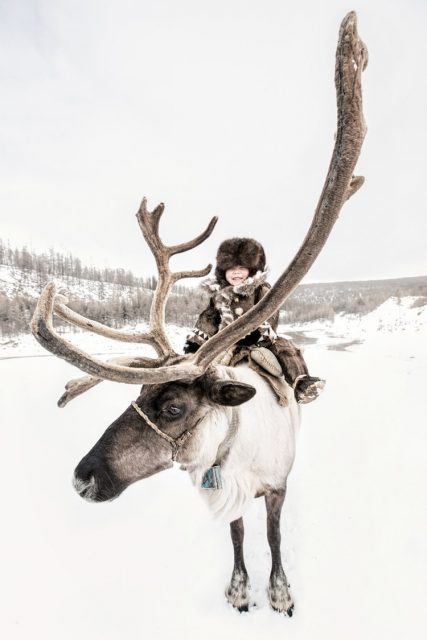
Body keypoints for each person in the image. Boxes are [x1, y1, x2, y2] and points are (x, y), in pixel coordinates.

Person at [183, 237, 325, 404]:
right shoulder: (220, 295)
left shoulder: (261, 289)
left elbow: (270, 311)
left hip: (260, 341)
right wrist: (196, 342)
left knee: (284, 346)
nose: (236, 272)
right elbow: (209, 318)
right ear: (223, 271)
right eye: (230, 268)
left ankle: (301, 382)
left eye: (241, 268)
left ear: (252, 269)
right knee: (206, 364)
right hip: (226, 343)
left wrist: (258, 332)